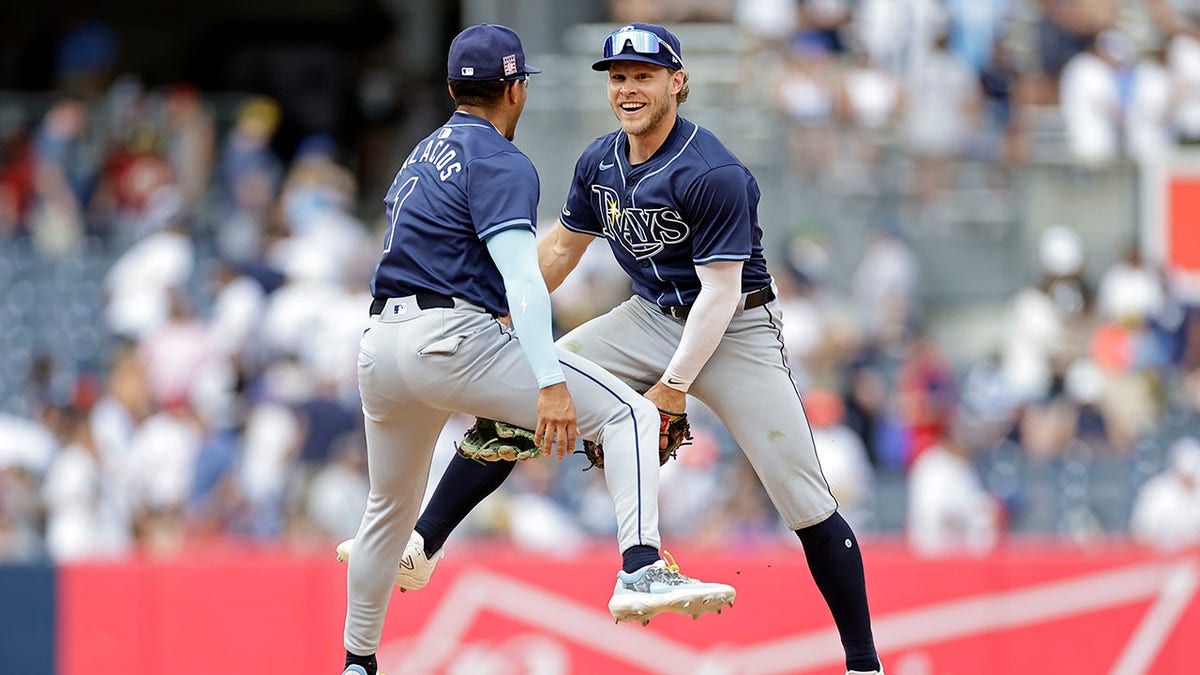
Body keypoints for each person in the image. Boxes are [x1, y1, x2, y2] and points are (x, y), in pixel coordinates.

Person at [339, 22, 883, 675]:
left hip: (735, 327)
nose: (628, 87)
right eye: (618, 76)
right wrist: (506, 313)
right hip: (650, 314)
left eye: (644, 76)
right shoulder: (599, 161)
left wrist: (675, 383)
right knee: (534, 397)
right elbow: (562, 251)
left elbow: (718, 295)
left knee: (804, 496)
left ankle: (863, 662)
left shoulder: (712, 171)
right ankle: (424, 541)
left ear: (677, 83)